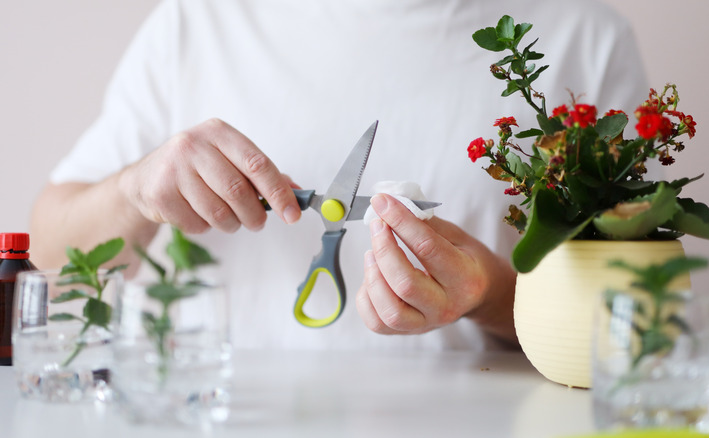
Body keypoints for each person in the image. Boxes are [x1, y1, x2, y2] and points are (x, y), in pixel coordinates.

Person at [30, 0, 648, 351]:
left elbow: (628, 324)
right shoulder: (198, 23)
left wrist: (487, 295)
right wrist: (134, 190)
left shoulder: (583, 37)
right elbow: (54, 263)